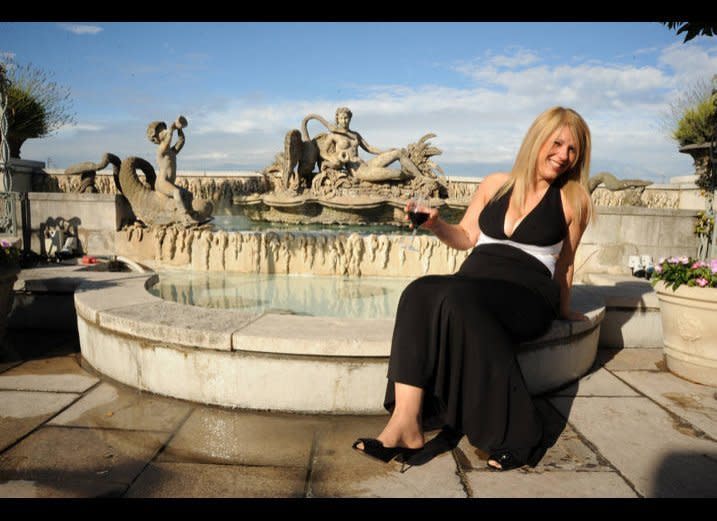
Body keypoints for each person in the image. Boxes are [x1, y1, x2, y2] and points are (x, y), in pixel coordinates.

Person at [352, 106, 593, 471]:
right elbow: (466, 237)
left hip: (526, 296)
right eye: (557, 143)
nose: (563, 155)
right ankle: (405, 423)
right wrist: (436, 225)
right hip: (474, 285)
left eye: (573, 150)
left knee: (458, 296)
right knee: (419, 290)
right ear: (537, 139)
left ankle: (518, 434)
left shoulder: (573, 200)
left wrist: (563, 310)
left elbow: (567, 264)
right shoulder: (495, 184)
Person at [318, 107, 424, 182]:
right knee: (397, 173)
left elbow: (369, 148)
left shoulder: (355, 135)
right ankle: (412, 178)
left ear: (350, 119)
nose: (344, 121)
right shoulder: (333, 135)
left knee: (397, 153)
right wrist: (332, 158)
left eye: (346, 118)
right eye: (341, 118)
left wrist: (386, 151)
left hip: (365, 164)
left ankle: (421, 178)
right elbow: (322, 152)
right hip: (357, 171)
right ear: (337, 119)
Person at [147, 115, 188, 209]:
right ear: (155, 138)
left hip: (169, 183)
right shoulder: (161, 150)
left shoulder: (171, 152)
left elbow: (181, 141)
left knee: (187, 194)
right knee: (176, 192)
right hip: (162, 182)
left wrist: (179, 129)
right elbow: (167, 142)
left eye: (164, 129)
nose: (164, 132)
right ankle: (184, 216)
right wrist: (171, 129)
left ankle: (191, 212)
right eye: (161, 131)